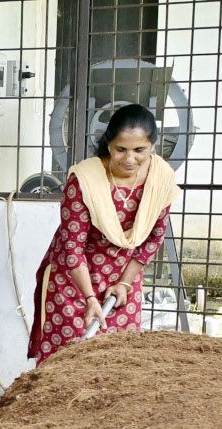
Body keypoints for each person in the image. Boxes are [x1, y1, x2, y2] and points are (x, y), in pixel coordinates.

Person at [29, 103, 181, 363]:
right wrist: (89, 298)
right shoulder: (85, 180)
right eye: (121, 149)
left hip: (124, 279)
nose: (129, 159)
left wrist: (124, 283)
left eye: (139, 150)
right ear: (109, 144)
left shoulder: (160, 179)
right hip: (74, 282)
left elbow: (154, 238)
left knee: (118, 360)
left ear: (153, 147)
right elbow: (72, 247)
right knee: (68, 359)